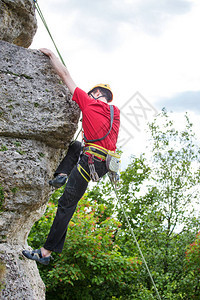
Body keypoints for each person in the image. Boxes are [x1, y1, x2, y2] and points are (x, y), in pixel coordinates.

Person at [22, 49, 120, 265]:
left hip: (89, 162)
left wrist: (51, 56)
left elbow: (65, 75)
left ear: (95, 94)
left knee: (66, 205)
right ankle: (62, 174)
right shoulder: (116, 112)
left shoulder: (88, 102)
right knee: (76, 145)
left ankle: (45, 252)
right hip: (104, 163)